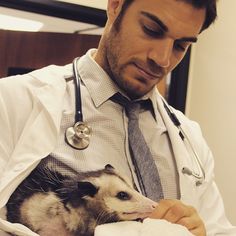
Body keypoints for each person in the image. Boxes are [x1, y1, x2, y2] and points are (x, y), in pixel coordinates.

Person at [0, 0, 235, 235]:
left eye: (181, 45)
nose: (162, 59)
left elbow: (219, 230)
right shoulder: (14, 101)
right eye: (151, 30)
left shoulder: (190, 137)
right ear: (115, 5)